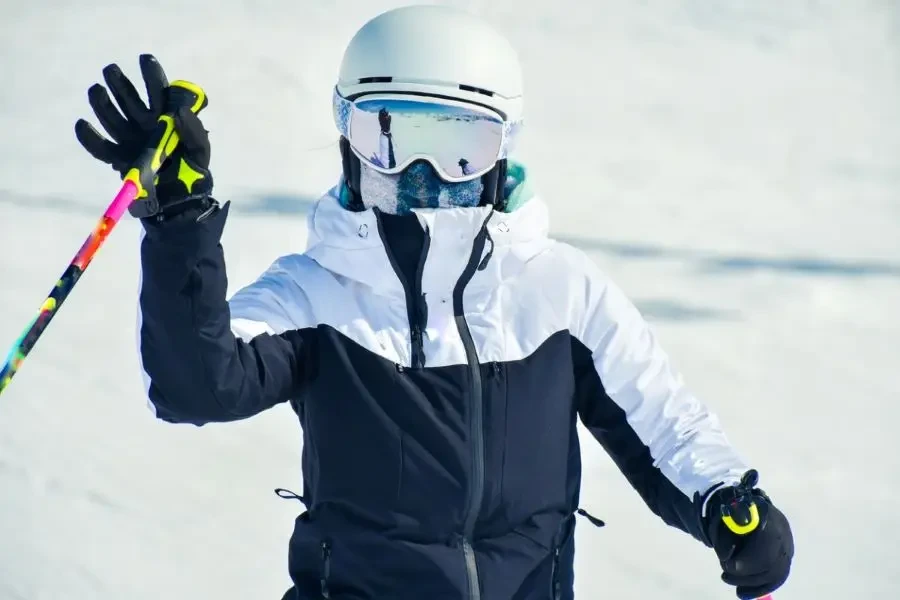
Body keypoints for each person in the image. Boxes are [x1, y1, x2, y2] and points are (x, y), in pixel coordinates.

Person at [74, 5, 793, 599]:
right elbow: (196, 384)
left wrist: (726, 499)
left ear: (502, 151)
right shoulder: (316, 291)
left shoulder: (558, 291)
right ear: (348, 138)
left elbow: (661, 419)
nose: (421, 173)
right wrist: (180, 221)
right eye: (388, 135)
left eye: (458, 147)